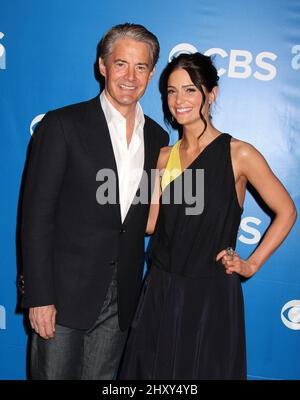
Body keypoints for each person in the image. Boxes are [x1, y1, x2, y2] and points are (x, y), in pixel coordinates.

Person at [118, 52, 297, 380]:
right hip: (160, 288)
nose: (178, 100)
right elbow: (150, 223)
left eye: (190, 90)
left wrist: (251, 264)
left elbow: (287, 211)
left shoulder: (239, 154)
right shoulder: (161, 157)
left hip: (210, 296)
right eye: (171, 91)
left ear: (211, 94)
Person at [19, 23, 169, 380]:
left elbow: (151, 215)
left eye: (141, 67)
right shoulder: (62, 125)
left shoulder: (158, 137)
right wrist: (39, 295)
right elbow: (36, 217)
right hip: (62, 294)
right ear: (102, 66)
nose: (130, 76)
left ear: (151, 72)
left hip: (123, 298)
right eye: (121, 64)